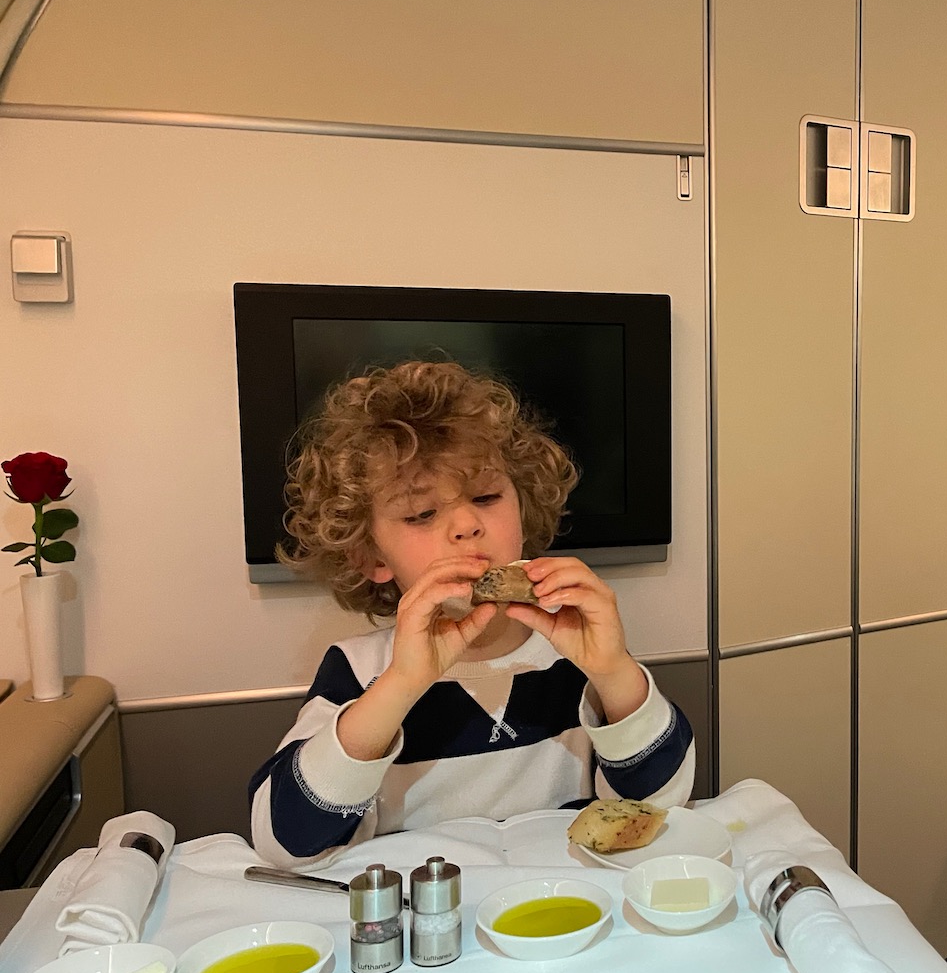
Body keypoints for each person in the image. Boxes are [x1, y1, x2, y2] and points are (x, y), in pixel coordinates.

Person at [248, 360, 694, 869]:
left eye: (486, 496)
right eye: (420, 514)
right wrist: (401, 685)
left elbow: (658, 809)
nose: (465, 524)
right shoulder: (361, 671)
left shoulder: (571, 655)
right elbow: (284, 845)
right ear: (370, 557)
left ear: (524, 509)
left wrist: (616, 673)